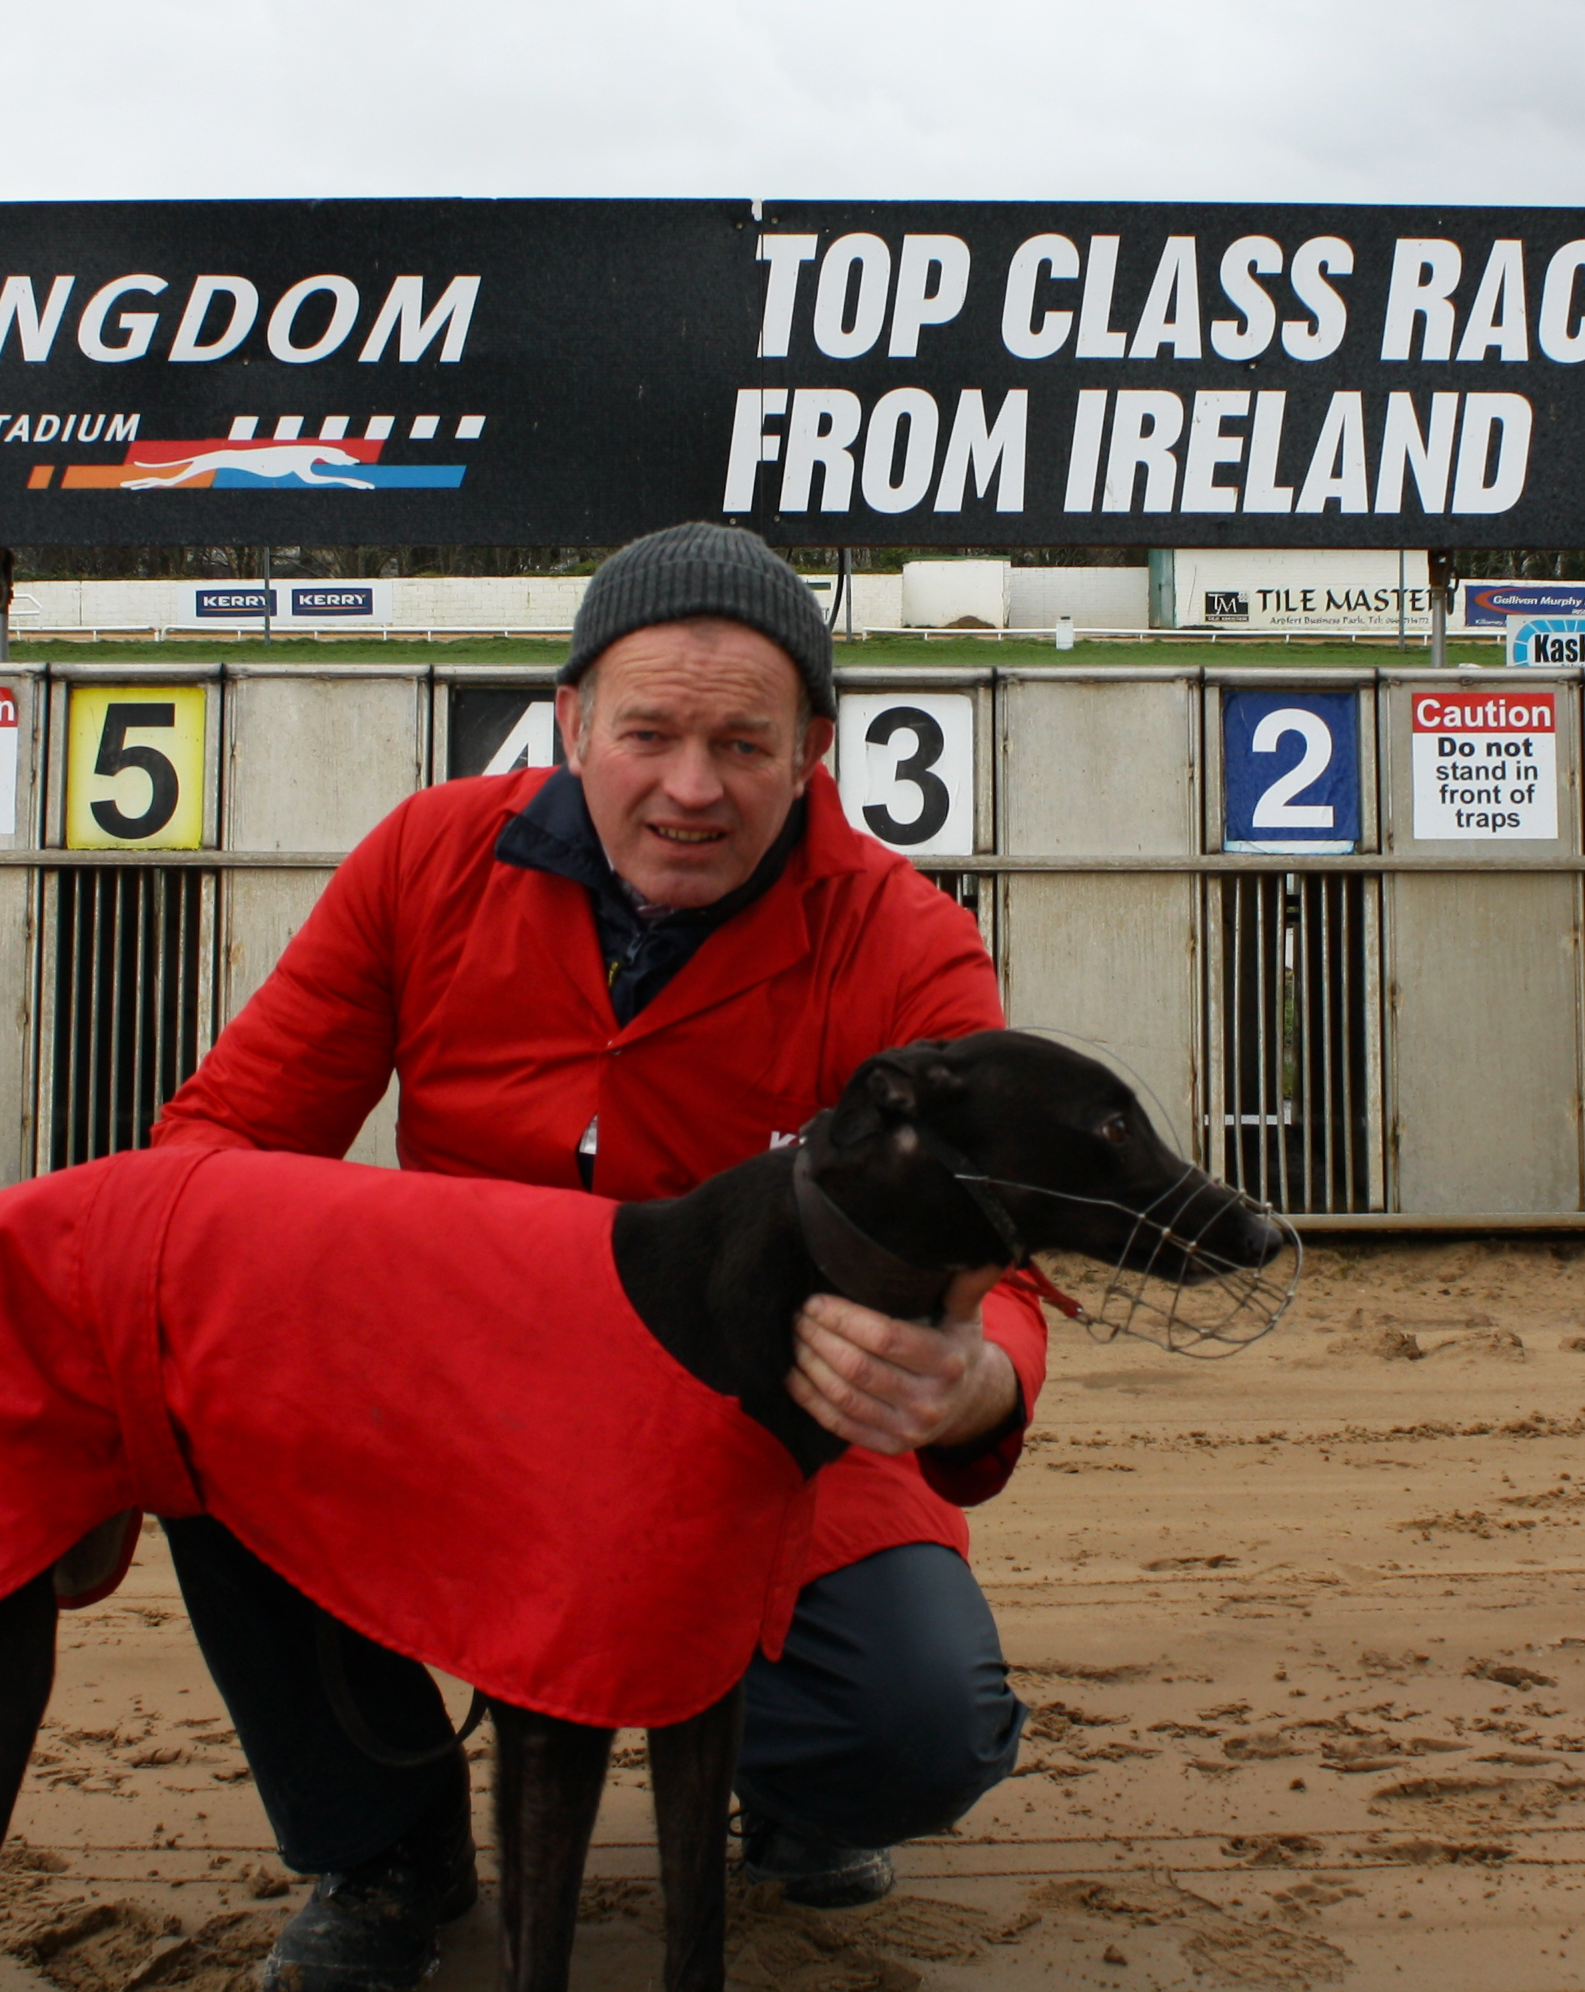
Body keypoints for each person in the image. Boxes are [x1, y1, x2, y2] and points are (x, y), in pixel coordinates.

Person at [149, 521, 1049, 1992]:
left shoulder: (903, 940)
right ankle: (387, 1846)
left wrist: (975, 1382)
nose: (692, 788)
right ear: (567, 721)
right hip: (469, 1413)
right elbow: (221, 1146)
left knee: (911, 1734)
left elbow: (997, 1256)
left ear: (820, 746)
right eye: (646, 733)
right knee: (205, 1399)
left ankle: (800, 1793)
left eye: (746, 744)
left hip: (768, 1444)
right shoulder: (429, 860)